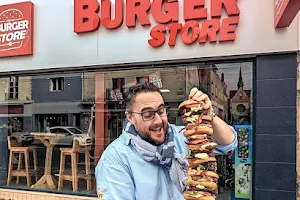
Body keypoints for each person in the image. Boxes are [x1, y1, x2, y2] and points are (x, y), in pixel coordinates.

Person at [95, 83, 237, 200]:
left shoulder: (182, 136)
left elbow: (229, 143)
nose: (158, 121)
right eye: (148, 114)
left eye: (161, 111)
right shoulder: (115, 159)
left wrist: (209, 114)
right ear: (130, 117)